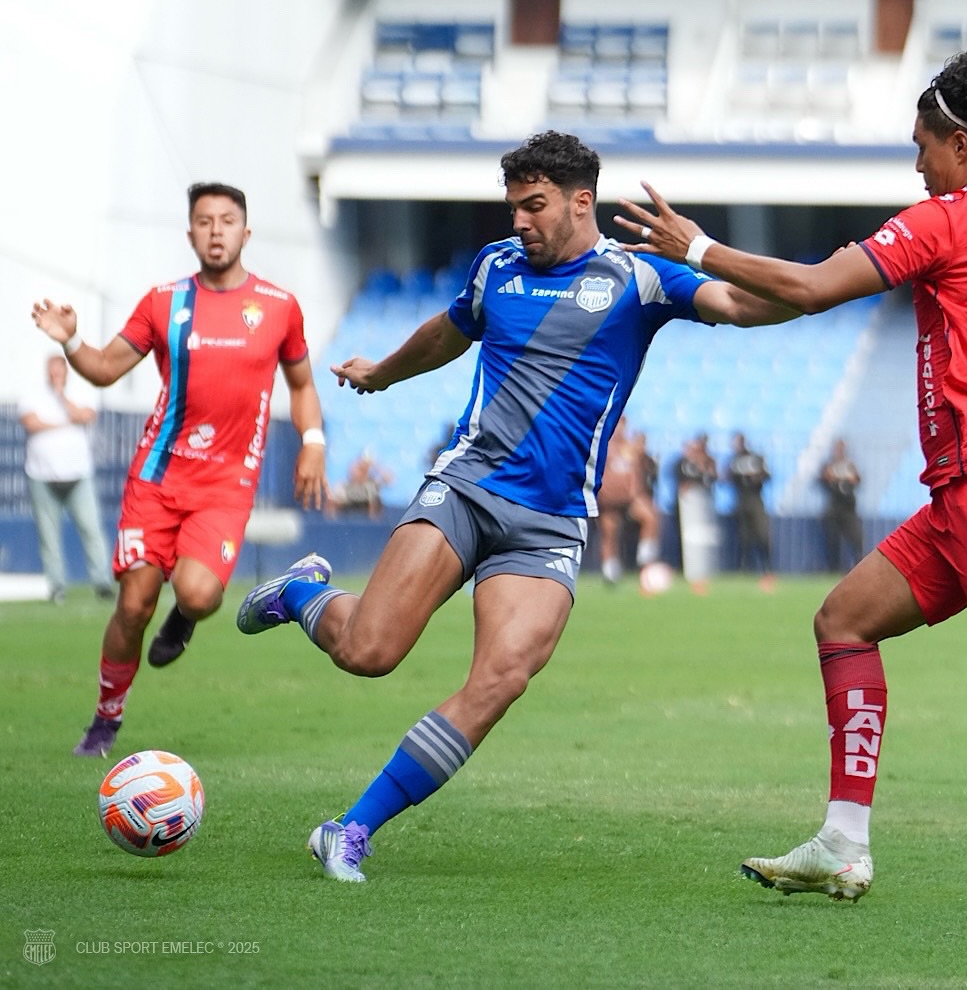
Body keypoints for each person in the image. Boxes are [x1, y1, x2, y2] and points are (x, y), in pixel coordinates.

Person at [234, 130, 795, 883]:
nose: (520, 222)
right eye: (513, 207)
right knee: (370, 652)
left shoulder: (640, 278)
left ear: (580, 201)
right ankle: (301, 588)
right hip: (467, 489)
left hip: (551, 524)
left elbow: (744, 303)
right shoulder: (495, 266)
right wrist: (384, 375)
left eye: (535, 206)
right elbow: (448, 331)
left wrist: (705, 251)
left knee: (498, 681)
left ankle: (350, 829)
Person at [614, 23, 967, 902]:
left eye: (923, 149)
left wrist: (699, 250)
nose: (917, 168)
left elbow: (815, 286)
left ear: (961, 142)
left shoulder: (944, 222)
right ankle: (843, 839)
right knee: (843, 621)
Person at [31, 182, 328, 758]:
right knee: (134, 603)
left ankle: (186, 618)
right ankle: (105, 719)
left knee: (198, 593)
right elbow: (104, 369)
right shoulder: (163, 302)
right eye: (204, 221)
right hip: (158, 477)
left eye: (226, 220)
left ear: (246, 231)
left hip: (226, 485)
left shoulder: (278, 306)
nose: (216, 230)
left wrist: (312, 440)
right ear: (189, 232)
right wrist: (71, 342)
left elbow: (301, 383)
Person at [18, 354, 113, 603]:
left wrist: (62, 397)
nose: (55, 375)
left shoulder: (80, 391)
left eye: (59, 371)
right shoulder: (33, 395)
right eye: (52, 371)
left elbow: (86, 415)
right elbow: (31, 422)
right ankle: (57, 586)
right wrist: (64, 422)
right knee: (49, 535)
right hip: (41, 475)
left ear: (66, 372)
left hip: (78, 474)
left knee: (91, 529)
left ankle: (102, 582)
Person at [596, 415, 661, 583]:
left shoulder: (631, 446)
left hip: (631, 499)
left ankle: (645, 559)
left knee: (650, 516)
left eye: (622, 425)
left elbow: (646, 468)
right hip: (608, 501)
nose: (620, 429)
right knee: (609, 533)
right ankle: (610, 571)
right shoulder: (601, 446)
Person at [726, 431, 775, 589]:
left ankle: (767, 568)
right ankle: (743, 568)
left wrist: (755, 477)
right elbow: (728, 478)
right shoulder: (734, 460)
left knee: (762, 534)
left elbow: (767, 475)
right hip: (742, 499)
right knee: (743, 536)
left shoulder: (756, 458)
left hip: (755, 499)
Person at [675, 432, 720, 592]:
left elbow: (712, 479)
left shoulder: (709, 461)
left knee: (702, 537)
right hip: (685, 507)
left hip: (702, 507)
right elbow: (677, 479)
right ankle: (684, 569)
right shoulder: (681, 462)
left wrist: (704, 466)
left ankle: (704, 569)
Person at [818, 438, 864, 574]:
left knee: (856, 538)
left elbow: (858, 480)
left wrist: (847, 480)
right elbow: (821, 480)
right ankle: (833, 567)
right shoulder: (829, 465)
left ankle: (858, 565)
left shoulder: (850, 464)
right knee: (832, 539)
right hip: (834, 507)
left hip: (848, 508)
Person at [330, 452, 393, 521]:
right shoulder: (342, 487)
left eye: (359, 469)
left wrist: (375, 466)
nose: (354, 472)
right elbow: (331, 510)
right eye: (352, 469)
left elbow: (389, 480)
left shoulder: (372, 485)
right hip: (346, 522)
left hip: (369, 524)